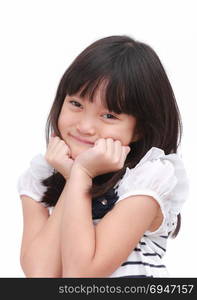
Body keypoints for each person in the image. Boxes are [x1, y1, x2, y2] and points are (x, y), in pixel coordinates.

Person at [17, 35, 189, 278]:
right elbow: (41, 276)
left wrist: (81, 174)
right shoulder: (40, 178)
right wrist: (74, 178)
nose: (85, 126)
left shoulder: (147, 180)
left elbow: (82, 275)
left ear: (140, 128)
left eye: (109, 116)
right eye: (76, 104)